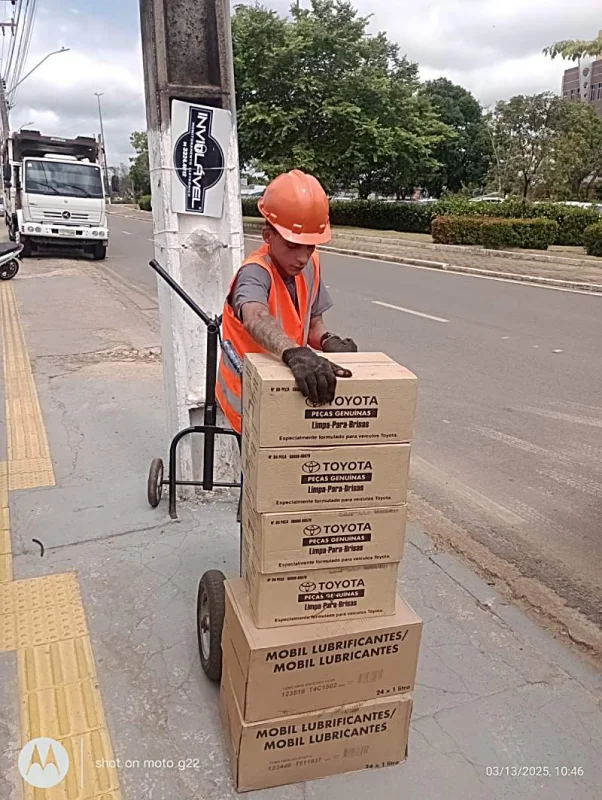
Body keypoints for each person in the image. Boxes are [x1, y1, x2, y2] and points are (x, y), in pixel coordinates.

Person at [216, 169, 357, 435]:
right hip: (247, 400)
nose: (303, 257)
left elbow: (312, 323)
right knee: (258, 476)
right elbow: (255, 316)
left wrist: (328, 341)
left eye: (310, 246)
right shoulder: (254, 272)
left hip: (287, 393)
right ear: (268, 236)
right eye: (293, 245)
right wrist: (295, 352)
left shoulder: (310, 265)